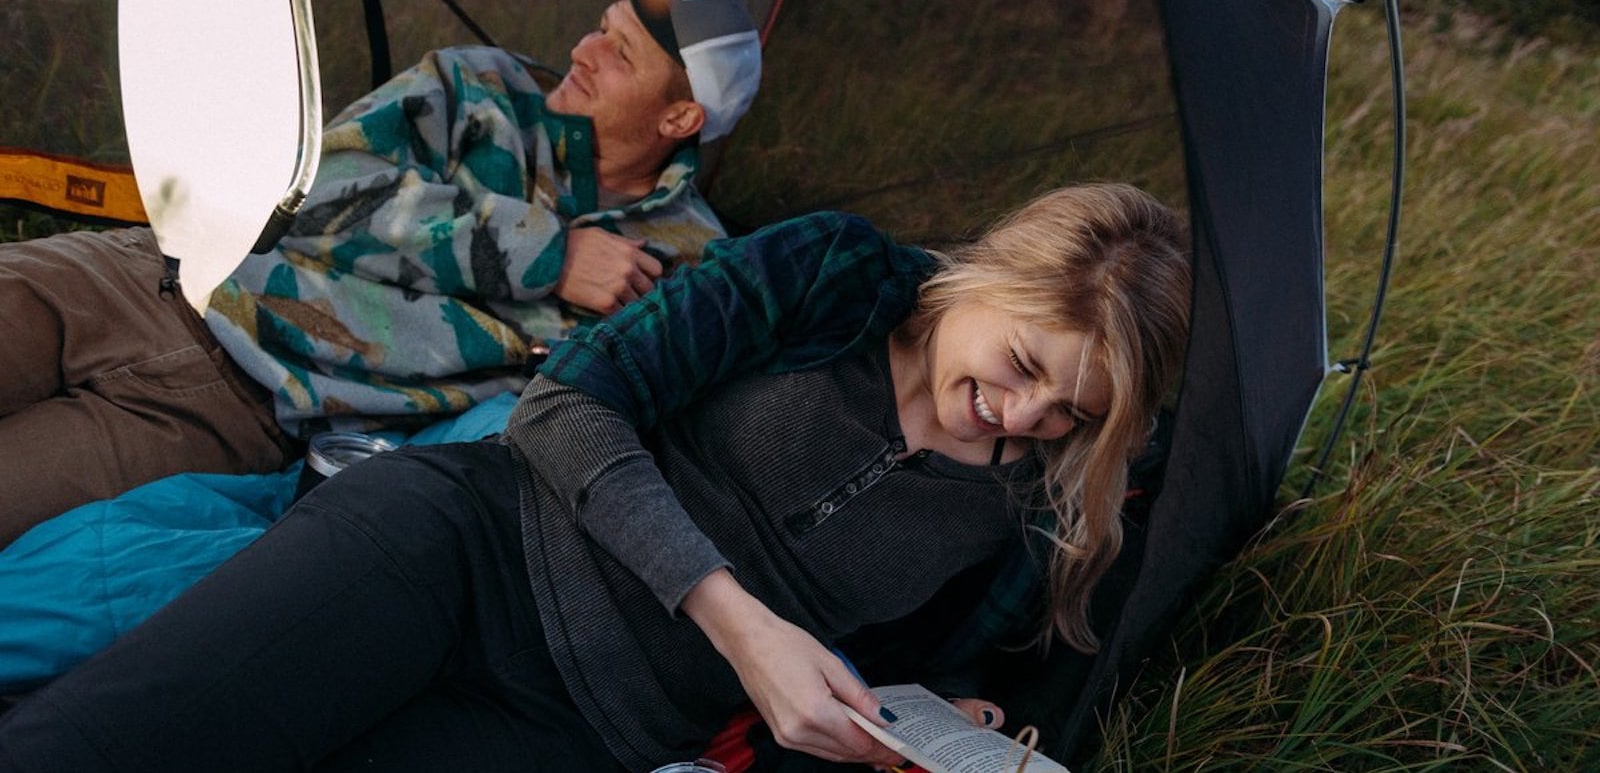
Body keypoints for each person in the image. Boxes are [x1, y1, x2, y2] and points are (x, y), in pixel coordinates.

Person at [0, 182, 1190, 772]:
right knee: (106, 745)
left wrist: (936, 716)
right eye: (1022, 363)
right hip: (461, 554)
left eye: (1070, 413)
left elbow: (924, 656)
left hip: (577, 730)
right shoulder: (833, 274)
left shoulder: (1038, 496)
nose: (1022, 415)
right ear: (988, 278)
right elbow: (569, 403)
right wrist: (739, 622)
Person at [0, 0, 763, 547]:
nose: (582, 52)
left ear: (679, 119)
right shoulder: (480, 88)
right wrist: (546, 256)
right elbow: (309, 189)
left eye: (620, 54)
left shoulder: (688, 268)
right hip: (153, 273)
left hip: (244, 403)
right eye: (601, 26)